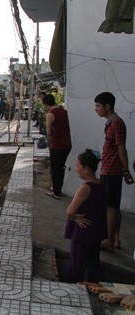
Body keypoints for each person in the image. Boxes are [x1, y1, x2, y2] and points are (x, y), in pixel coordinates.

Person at [94, 92, 134, 251]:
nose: (96, 109)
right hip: (110, 169)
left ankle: (109, 240)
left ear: (107, 106)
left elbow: (122, 150)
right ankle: (115, 239)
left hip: (112, 170)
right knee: (114, 206)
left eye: (98, 106)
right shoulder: (111, 123)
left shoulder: (116, 123)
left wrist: (126, 171)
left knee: (110, 207)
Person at [64, 149, 107, 283]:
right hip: (96, 231)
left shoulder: (85, 188)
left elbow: (70, 211)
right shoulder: (101, 184)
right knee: (93, 262)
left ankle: (73, 290)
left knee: (77, 266)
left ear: (86, 168)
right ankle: (95, 287)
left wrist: (75, 218)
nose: (76, 169)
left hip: (82, 233)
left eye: (78, 166)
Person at [44, 94, 72, 200]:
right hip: (67, 144)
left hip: (57, 145)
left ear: (46, 104)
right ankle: (58, 188)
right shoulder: (64, 111)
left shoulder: (50, 114)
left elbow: (48, 132)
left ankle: (56, 192)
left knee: (56, 168)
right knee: (61, 167)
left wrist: (50, 142)